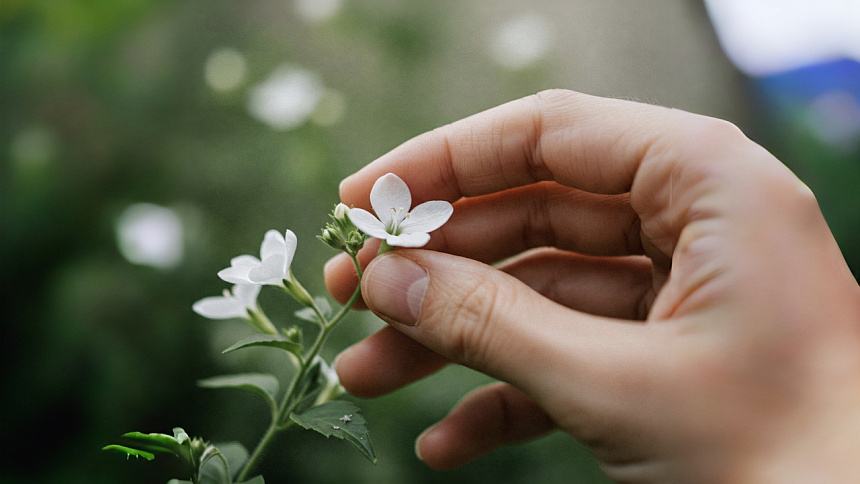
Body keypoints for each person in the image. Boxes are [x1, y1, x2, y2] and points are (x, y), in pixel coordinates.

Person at [323, 90, 860, 482]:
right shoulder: (380, 223)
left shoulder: (405, 226)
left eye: (395, 225)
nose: (394, 226)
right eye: (392, 226)